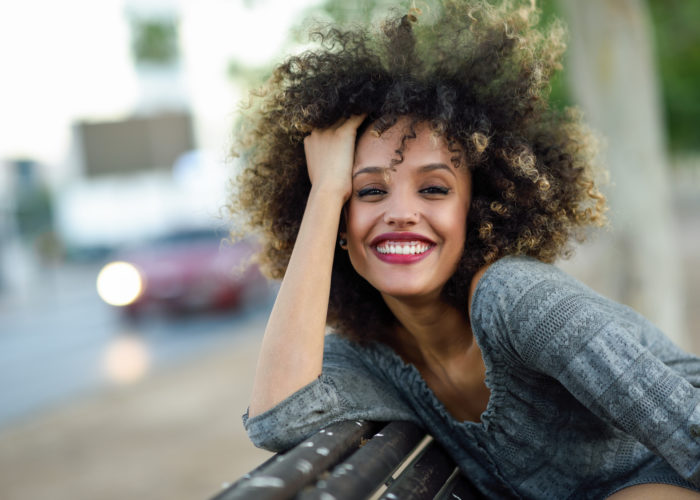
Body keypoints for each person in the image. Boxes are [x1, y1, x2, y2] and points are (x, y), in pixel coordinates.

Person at [230, 1, 700, 498]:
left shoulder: (519, 300)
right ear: (340, 225)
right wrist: (325, 191)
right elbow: (278, 420)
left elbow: (688, 429)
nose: (402, 213)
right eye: (368, 191)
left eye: (433, 189)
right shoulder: (372, 356)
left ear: (473, 211)